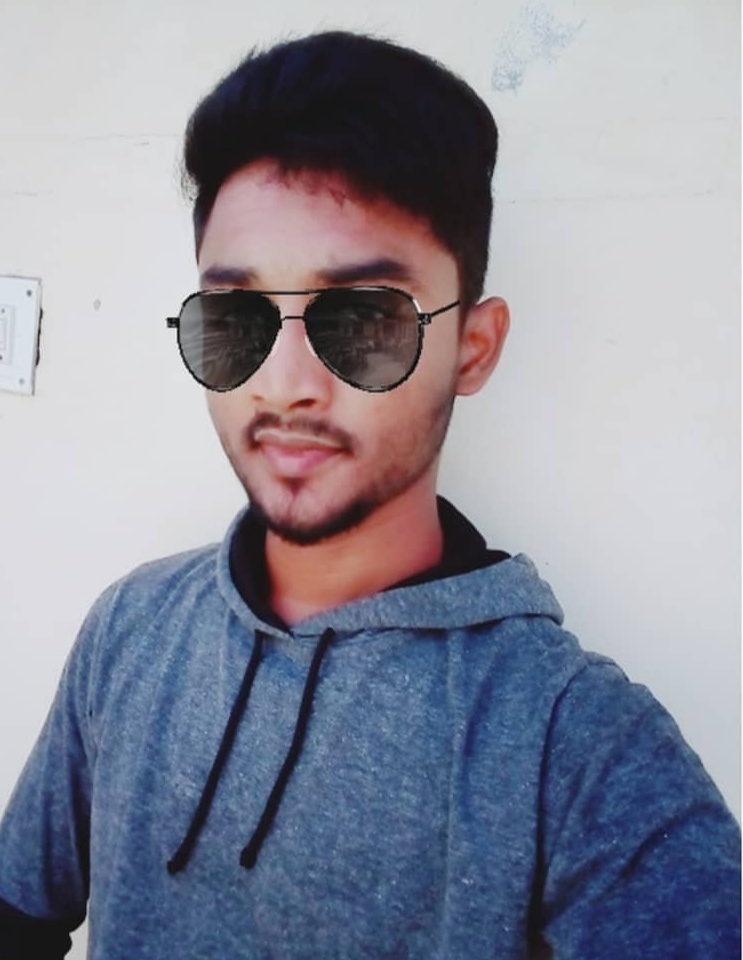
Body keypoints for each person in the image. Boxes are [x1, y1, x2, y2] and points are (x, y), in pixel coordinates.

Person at [0, 30, 738, 960]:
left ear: (473, 348)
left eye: (363, 319)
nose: (283, 386)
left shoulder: (575, 743)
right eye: (235, 317)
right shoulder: (132, 629)